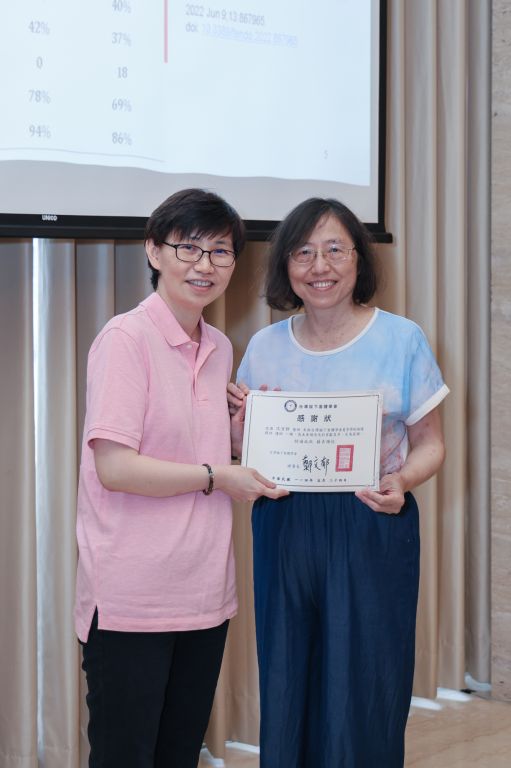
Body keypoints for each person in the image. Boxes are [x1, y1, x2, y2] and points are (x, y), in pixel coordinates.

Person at [228, 197, 449, 768]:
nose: (319, 266)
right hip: (285, 523)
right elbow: (244, 450)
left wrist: (401, 481)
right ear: (285, 265)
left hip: (372, 518)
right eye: (303, 253)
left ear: (358, 260)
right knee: (288, 672)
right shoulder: (264, 347)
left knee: (367, 675)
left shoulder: (401, 339)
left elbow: (431, 444)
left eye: (334, 250)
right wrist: (241, 430)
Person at [74, 188, 288, 768]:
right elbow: (115, 467)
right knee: (125, 756)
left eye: (220, 252)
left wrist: (239, 436)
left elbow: (199, 453)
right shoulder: (125, 339)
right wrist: (218, 476)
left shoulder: (218, 346)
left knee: (177, 753)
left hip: (203, 591)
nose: (205, 265)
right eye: (188, 248)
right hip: (132, 596)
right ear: (154, 251)